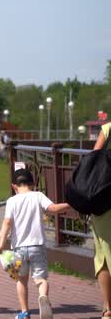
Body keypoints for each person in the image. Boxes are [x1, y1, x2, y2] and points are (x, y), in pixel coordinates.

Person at [0, 168, 72, 319]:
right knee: (41, 280)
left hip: (19, 248)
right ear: (33, 184)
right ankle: (43, 297)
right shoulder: (38, 196)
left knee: (21, 280)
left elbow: (7, 223)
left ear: (14, 186)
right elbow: (53, 209)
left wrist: (1, 243)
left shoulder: (12, 201)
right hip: (37, 246)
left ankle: (24, 312)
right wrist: (71, 204)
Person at [93, 123, 111, 317]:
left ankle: (107, 309)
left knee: (104, 255)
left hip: (104, 202)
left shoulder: (108, 129)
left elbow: (93, 159)